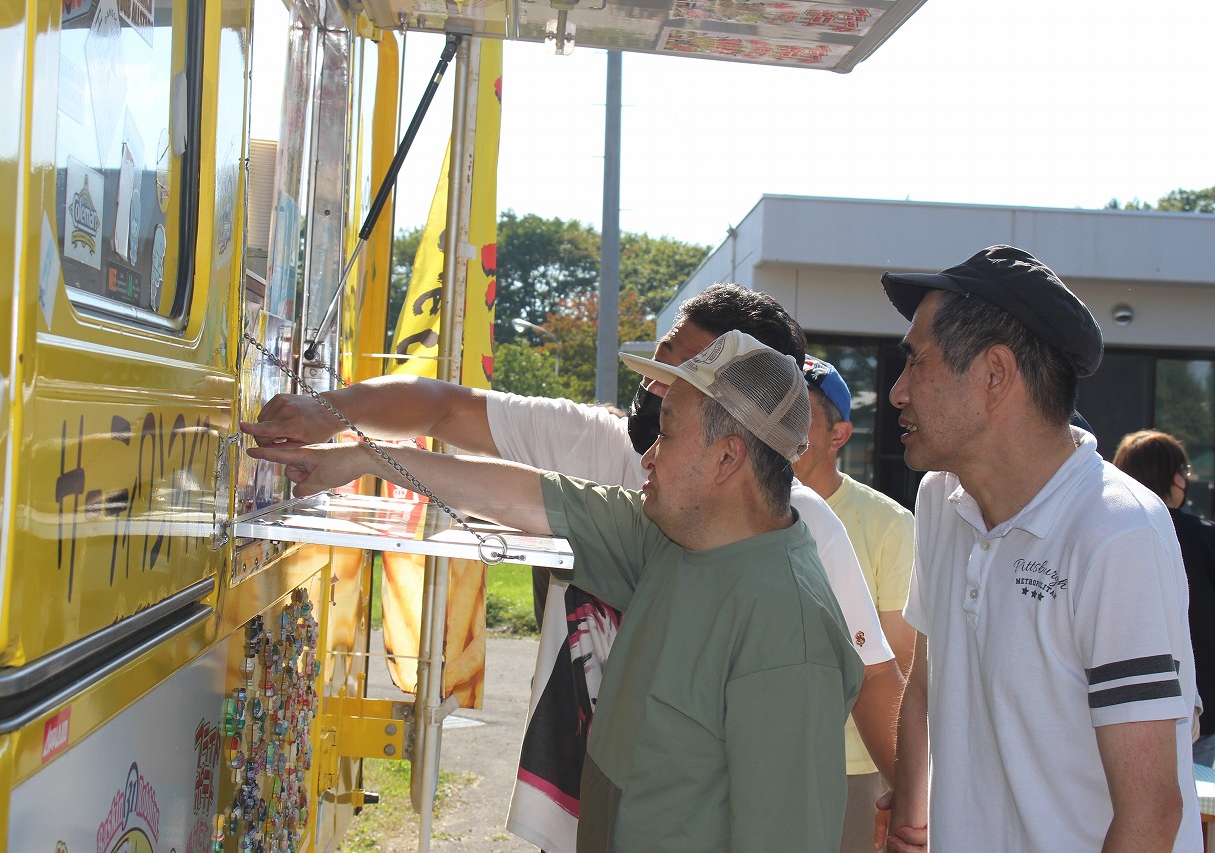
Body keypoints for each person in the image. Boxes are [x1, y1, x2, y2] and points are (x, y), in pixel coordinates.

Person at [242, 283, 905, 852]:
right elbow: (522, 495)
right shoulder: (669, 532)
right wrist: (360, 457)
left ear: (729, 459)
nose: (645, 452)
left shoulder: (787, 633)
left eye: (666, 432)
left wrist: (909, 806)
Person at [879, 245, 1200, 853]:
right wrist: (909, 819)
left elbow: (1152, 815)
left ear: (996, 374)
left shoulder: (1118, 533)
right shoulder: (940, 501)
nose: (897, 392)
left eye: (915, 363)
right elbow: (926, 681)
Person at [793, 355, 915, 853]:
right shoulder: (741, 508)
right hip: (751, 755)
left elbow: (899, 665)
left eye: (797, 415)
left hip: (853, 767)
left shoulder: (889, 524)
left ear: (838, 436)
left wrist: (903, 778)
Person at [1113, 429, 1215, 766]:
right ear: (1172, 477)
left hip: (1117, 707)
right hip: (1196, 710)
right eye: (1183, 472)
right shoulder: (1201, 536)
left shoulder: (1109, 531)